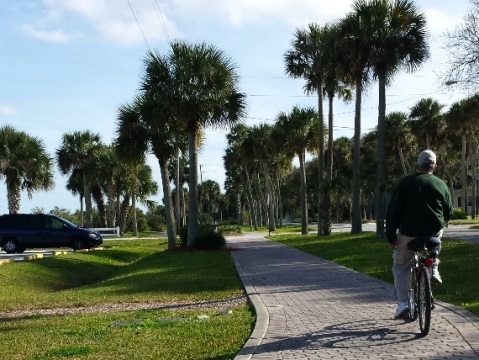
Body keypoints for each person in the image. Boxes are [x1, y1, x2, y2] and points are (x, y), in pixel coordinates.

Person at [386, 149, 453, 319]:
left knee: (400, 267)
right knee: (439, 232)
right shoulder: (441, 184)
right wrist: (446, 219)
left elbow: (394, 212)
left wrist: (391, 237)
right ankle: (433, 265)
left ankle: (402, 304)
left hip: (409, 233)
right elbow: (448, 210)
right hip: (432, 232)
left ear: (417, 165)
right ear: (435, 166)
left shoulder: (406, 183)